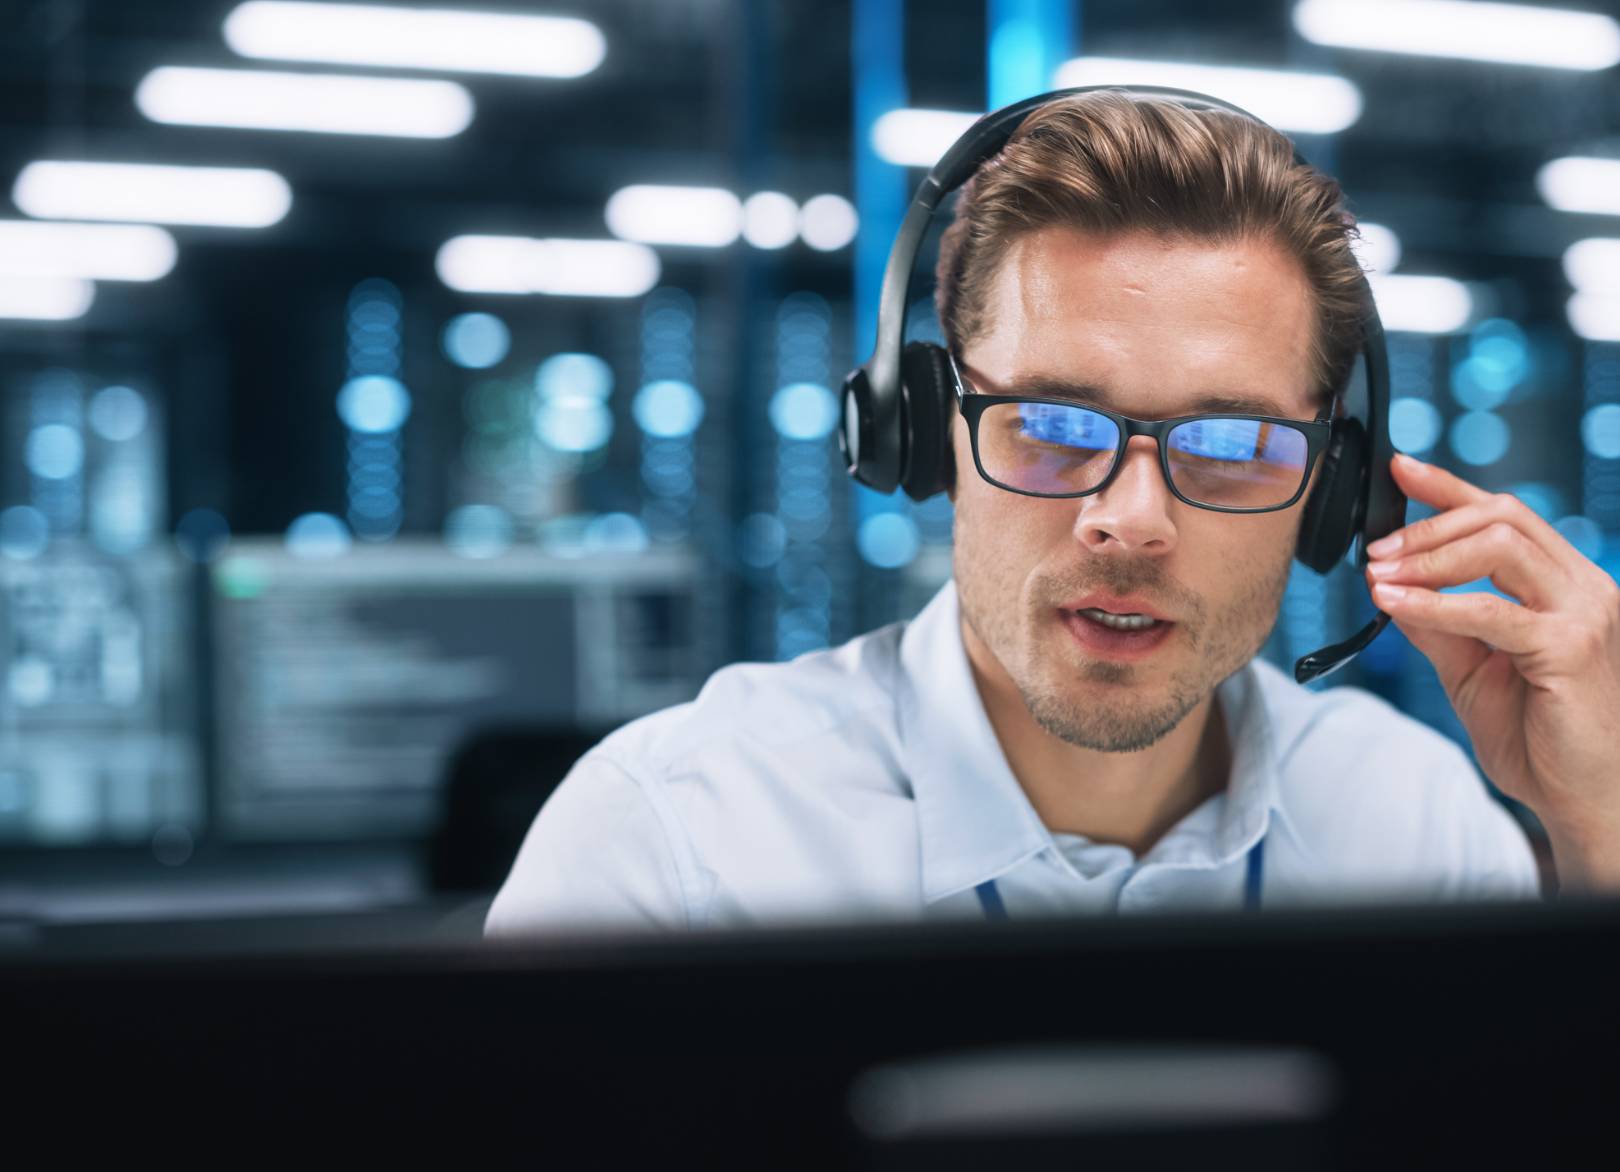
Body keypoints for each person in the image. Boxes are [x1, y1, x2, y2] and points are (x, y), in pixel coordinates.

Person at [485, 90, 1620, 935]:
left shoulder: (1415, 823)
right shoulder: (673, 843)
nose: (1130, 523)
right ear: (926, 435)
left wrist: (1598, 828)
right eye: (1055, 424)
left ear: (1332, 489)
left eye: (1229, 446)